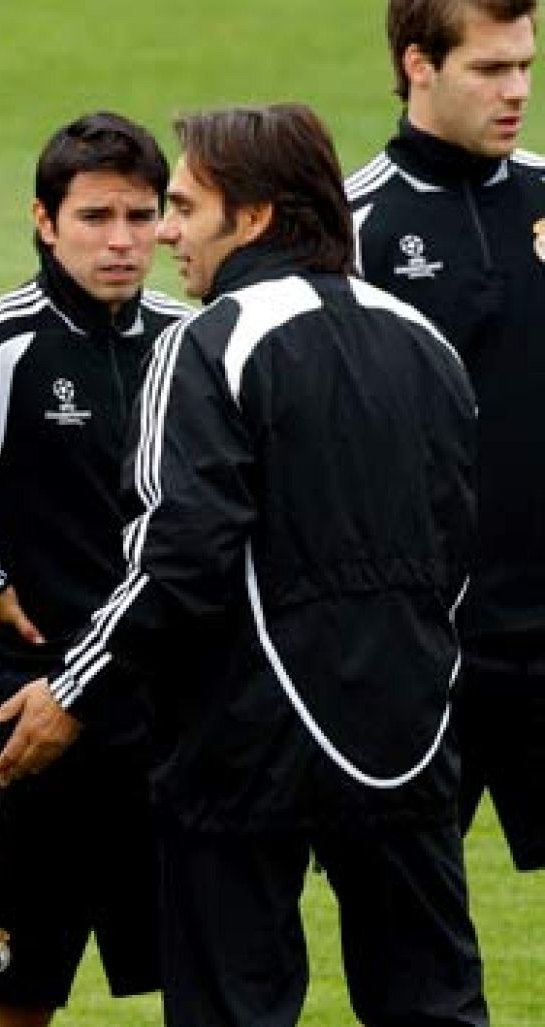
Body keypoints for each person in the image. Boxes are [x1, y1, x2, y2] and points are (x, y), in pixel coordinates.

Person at [0, 105, 488, 1026]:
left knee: (233, 1008)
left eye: (183, 206)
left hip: (242, 751)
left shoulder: (205, 341)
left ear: (254, 217)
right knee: (435, 1002)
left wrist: (73, 689)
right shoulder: (425, 341)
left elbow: (179, 555)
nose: (165, 231)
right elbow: (458, 543)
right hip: (404, 737)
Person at [0, 112, 188, 1027]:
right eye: (96, 217)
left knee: (214, 977)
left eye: (142, 217)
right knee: (16, 995)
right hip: (28, 720)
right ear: (43, 220)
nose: (122, 241)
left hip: (173, 719)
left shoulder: (197, 345)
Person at [347, 0, 544, 875]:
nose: (518, 93)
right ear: (419, 64)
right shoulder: (352, 231)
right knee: (412, 939)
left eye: (526, 67)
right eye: (491, 71)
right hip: (425, 653)